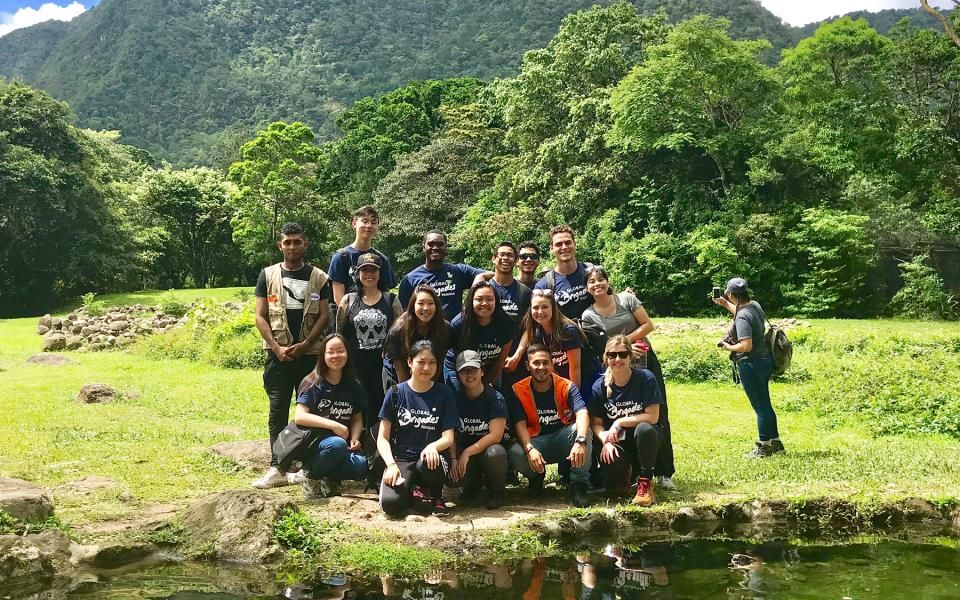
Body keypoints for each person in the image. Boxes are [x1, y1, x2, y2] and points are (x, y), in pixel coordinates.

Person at [581, 265, 677, 491]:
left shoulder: (626, 299)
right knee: (624, 411)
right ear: (586, 287)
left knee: (657, 415)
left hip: (644, 362)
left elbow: (648, 324)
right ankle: (631, 469)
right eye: (592, 282)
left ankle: (664, 472)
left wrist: (626, 345)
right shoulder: (588, 315)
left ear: (607, 281)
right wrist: (620, 351)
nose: (597, 284)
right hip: (617, 364)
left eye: (601, 280)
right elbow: (599, 346)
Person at [252, 222, 331, 489]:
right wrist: (276, 347)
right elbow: (260, 316)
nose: (292, 246)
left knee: (310, 410)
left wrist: (307, 343)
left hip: (309, 355)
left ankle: (304, 463)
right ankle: (278, 466)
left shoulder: (318, 277)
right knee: (278, 409)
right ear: (280, 245)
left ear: (304, 244)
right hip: (278, 356)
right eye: (287, 242)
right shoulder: (268, 275)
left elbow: (324, 314)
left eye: (297, 241)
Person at [377, 340, 459, 516]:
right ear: (409, 362)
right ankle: (412, 491)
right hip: (403, 458)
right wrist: (391, 465)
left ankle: (436, 495)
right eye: (421, 362)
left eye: (432, 362)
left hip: (432, 460)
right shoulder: (396, 393)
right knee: (390, 505)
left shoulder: (444, 393)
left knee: (428, 462)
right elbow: (382, 437)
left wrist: (433, 447)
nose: (426, 368)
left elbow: (449, 437)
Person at [506, 344, 592, 507]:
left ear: (552, 364)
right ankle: (536, 477)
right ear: (527, 366)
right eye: (536, 363)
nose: (541, 367)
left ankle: (579, 485)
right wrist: (529, 449)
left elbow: (582, 413)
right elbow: (519, 423)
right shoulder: (518, 389)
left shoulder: (566, 386)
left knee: (583, 431)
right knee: (515, 451)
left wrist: (580, 441)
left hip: (562, 438)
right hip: (536, 440)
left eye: (545, 363)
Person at [714, 277, 785, 458]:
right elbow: (741, 313)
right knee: (766, 404)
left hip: (751, 363)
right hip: (764, 360)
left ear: (730, 294)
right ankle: (775, 442)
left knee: (760, 407)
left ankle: (763, 446)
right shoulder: (754, 306)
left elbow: (746, 346)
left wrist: (727, 346)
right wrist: (724, 304)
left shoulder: (743, 316)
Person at [589, 335, 663, 506]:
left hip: (645, 439)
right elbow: (596, 423)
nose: (617, 359)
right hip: (618, 442)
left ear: (631, 356)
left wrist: (619, 422)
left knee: (644, 428)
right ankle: (625, 478)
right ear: (605, 358)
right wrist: (606, 440)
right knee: (612, 477)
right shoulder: (599, 386)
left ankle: (645, 482)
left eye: (623, 354)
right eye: (612, 355)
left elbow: (653, 416)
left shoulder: (645, 378)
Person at [293, 334, 368, 498]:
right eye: (331, 352)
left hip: (340, 446)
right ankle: (311, 477)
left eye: (340, 351)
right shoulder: (312, 382)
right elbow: (300, 416)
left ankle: (330, 479)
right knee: (337, 444)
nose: (336, 356)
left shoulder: (354, 385)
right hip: (314, 444)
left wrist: (355, 438)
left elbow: (356, 417)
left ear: (347, 354)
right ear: (323, 355)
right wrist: (333, 425)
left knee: (360, 464)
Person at [336, 252, 402, 430]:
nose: (369, 274)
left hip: (383, 365)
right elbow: (339, 334)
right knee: (357, 405)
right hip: (355, 364)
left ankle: (378, 445)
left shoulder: (392, 300)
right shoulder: (348, 300)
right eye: (364, 270)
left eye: (373, 270)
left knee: (381, 405)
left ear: (380, 273)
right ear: (357, 273)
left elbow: (400, 334)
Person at [449, 350, 509, 509]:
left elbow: (496, 435)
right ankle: (472, 485)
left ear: (482, 371)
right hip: (463, 451)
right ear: (458, 375)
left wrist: (468, 452)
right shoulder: (454, 398)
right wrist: (454, 458)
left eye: (473, 370)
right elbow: (451, 431)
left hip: (486, 450)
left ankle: (496, 491)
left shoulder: (496, 398)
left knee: (496, 453)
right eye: (464, 371)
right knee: (450, 471)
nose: (469, 375)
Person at [506, 289, 599, 392]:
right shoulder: (538, 332)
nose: (540, 312)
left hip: (587, 379)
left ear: (553, 308)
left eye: (545, 307)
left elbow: (575, 369)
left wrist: (573, 399)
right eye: (536, 307)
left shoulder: (568, 331)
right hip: (564, 381)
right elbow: (529, 332)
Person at [397, 230, 493, 321]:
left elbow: (495, 276)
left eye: (440, 244)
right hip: (426, 334)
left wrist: (480, 277)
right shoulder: (410, 280)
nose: (435, 248)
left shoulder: (459, 271)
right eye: (431, 244)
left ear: (446, 247)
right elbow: (404, 314)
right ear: (423, 247)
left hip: (455, 333)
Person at [444, 281, 516, 387]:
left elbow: (501, 360)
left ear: (496, 301)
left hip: (490, 367)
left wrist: (485, 384)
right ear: (471, 301)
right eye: (479, 299)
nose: (484, 303)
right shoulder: (459, 323)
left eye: (489, 299)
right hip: (458, 367)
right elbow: (454, 353)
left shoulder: (506, 324)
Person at [382, 285, 451, 386]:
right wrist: (409, 393)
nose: (426, 308)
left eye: (430, 303)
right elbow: (399, 364)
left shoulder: (444, 328)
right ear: (413, 306)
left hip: (429, 371)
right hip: (397, 374)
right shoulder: (398, 330)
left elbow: (439, 360)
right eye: (421, 303)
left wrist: (430, 387)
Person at [327, 205, 396, 304]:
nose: (369, 226)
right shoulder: (341, 257)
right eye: (364, 221)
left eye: (373, 222)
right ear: (354, 223)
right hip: (347, 315)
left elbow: (386, 296)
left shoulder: (382, 259)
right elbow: (339, 300)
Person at [534, 225, 592, 321]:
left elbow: (610, 300)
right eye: (559, 244)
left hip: (597, 332)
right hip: (566, 335)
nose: (564, 247)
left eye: (568, 242)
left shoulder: (590, 271)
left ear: (575, 244)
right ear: (551, 248)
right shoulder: (544, 286)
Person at [490, 241, 532, 324]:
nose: (505, 258)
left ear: (516, 260)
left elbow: (529, 326)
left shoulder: (524, 292)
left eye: (509, 255)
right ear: (494, 259)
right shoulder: (485, 288)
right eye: (501, 254)